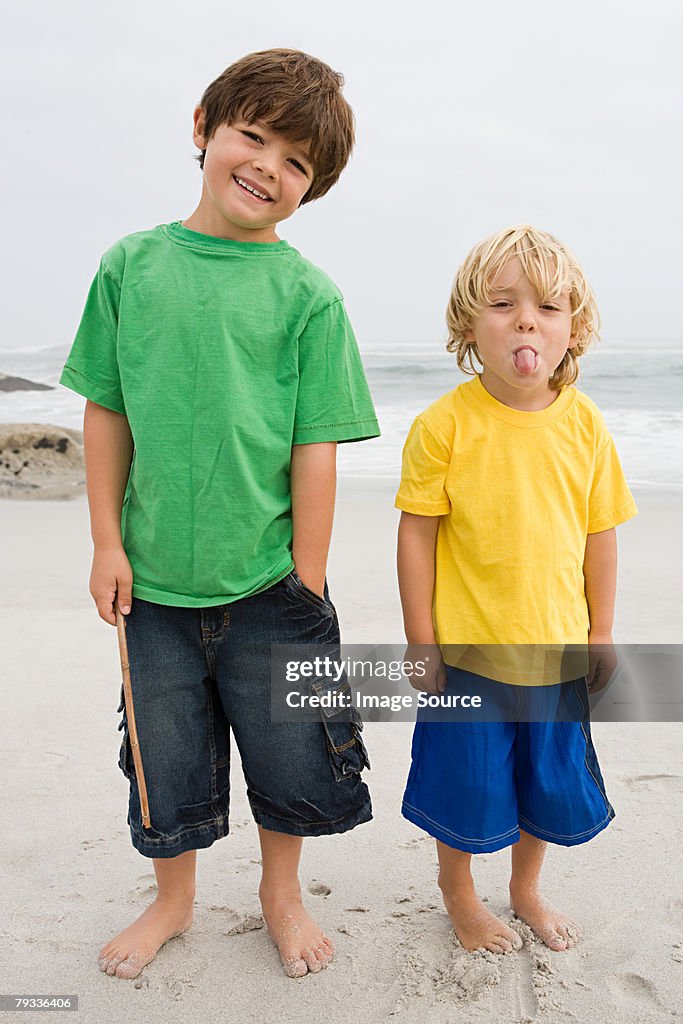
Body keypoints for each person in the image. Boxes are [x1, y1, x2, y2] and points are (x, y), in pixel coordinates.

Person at [60, 48, 379, 981]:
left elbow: (312, 443)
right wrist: (107, 542)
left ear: (308, 190)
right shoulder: (131, 265)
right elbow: (106, 409)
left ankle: (281, 894)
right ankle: (173, 897)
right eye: (254, 137)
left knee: (291, 755)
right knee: (165, 757)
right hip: (152, 582)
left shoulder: (308, 295)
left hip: (270, 581)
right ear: (204, 125)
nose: (267, 168)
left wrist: (307, 578)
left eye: (295, 164)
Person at [395, 225, 637, 955]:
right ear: (470, 324)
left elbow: (600, 534)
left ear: (574, 330)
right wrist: (419, 639)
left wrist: (599, 631)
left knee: (545, 780)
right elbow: (416, 535)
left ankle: (524, 888)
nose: (527, 320)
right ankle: (458, 894)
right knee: (462, 784)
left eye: (548, 308)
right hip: (467, 652)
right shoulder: (443, 425)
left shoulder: (585, 425)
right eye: (503, 303)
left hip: (554, 650)